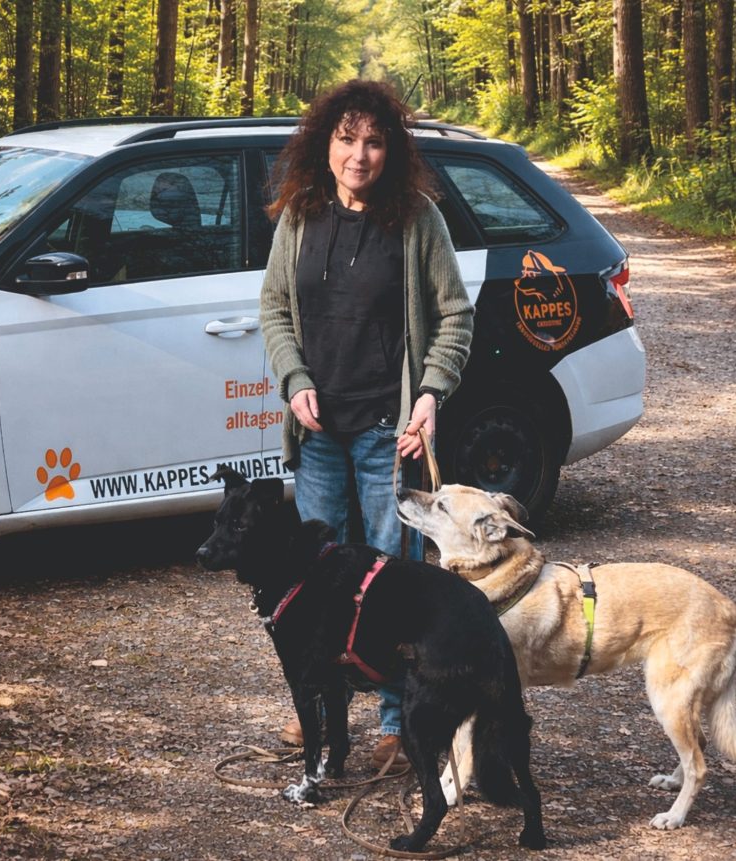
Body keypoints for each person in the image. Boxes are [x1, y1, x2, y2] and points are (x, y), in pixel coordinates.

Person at [259, 79, 474, 769]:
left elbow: (455, 317)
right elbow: (274, 312)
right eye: (347, 139)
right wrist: (293, 381)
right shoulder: (300, 215)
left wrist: (431, 392)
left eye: (375, 141)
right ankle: (323, 714)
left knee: (389, 577)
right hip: (318, 433)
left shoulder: (416, 220)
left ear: (393, 149)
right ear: (325, 145)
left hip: (390, 430)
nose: (360, 155)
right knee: (320, 577)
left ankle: (395, 722)